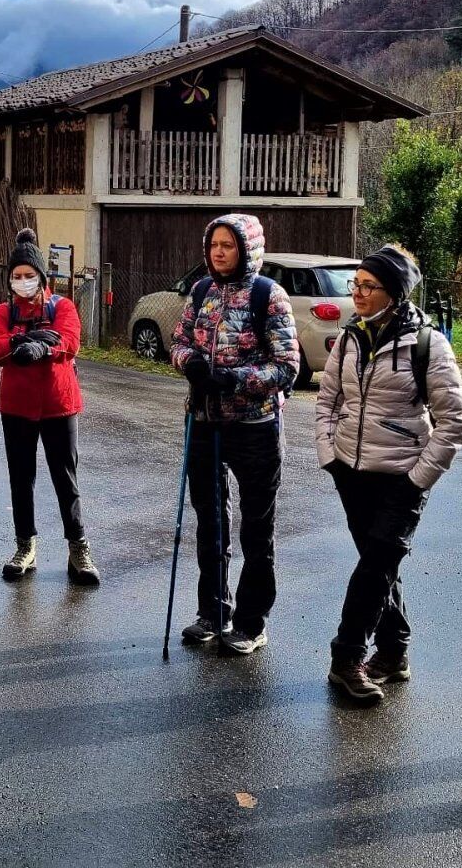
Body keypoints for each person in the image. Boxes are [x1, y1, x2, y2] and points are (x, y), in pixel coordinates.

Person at [316, 244, 462, 703]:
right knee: (379, 566)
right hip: (351, 471)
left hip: (401, 477)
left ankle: (346, 659)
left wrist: (417, 479)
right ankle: (394, 652)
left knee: (376, 564)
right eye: (356, 284)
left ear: (395, 294)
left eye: (369, 286)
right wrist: (330, 455)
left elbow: (454, 420)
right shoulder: (349, 338)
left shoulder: (427, 344)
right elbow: (327, 402)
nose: (358, 293)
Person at [170, 214, 298, 654]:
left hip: (254, 426)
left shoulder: (269, 296)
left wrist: (235, 378)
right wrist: (189, 363)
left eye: (228, 245)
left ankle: (251, 620)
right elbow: (179, 340)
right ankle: (213, 610)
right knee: (211, 522)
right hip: (204, 422)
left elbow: (287, 366)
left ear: (247, 249)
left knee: (256, 529)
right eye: (214, 245)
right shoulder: (201, 291)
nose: (219, 252)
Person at [0, 229, 100, 586]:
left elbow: (70, 341)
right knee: (22, 478)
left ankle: (78, 547)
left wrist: (44, 349)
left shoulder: (61, 306)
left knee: (66, 478)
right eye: (16, 276)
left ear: (41, 278)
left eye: (28, 276)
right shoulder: (4, 311)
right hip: (16, 407)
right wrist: (22, 338)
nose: (23, 282)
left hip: (59, 405)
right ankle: (25, 546)